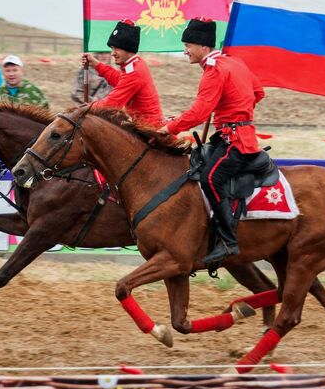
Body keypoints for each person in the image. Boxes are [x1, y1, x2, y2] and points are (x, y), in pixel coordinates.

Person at [158, 17, 265, 265]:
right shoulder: (234, 62)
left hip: (236, 140)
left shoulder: (214, 71)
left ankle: (228, 242)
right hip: (232, 134)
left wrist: (169, 128)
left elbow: (199, 113)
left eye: (188, 45)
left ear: (204, 46)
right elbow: (259, 92)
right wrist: (235, 110)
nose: (185, 51)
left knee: (210, 179)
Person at [80, 19, 163, 126]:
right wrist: (95, 63)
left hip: (149, 129)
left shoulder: (134, 71)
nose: (112, 53)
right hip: (143, 125)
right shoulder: (135, 64)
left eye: (116, 49)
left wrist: (86, 108)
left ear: (127, 48)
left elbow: (111, 104)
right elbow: (119, 79)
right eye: (112, 49)